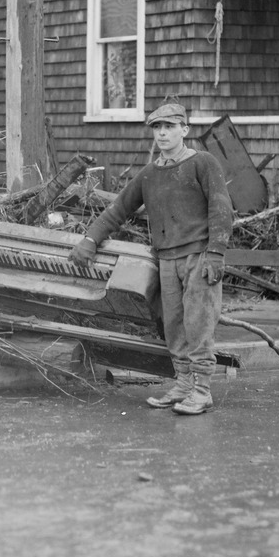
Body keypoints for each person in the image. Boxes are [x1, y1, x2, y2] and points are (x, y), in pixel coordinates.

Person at [69, 103, 233, 415]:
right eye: (157, 128)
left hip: (199, 257)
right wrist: (89, 240)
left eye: (169, 127)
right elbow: (118, 209)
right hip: (167, 260)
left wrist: (216, 252)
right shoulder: (149, 174)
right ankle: (184, 384)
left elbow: (221, 208)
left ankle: (202, 391)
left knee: (198, 324)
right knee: (173, 325)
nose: (162, 133)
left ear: (184, 130)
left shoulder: (203, 163)